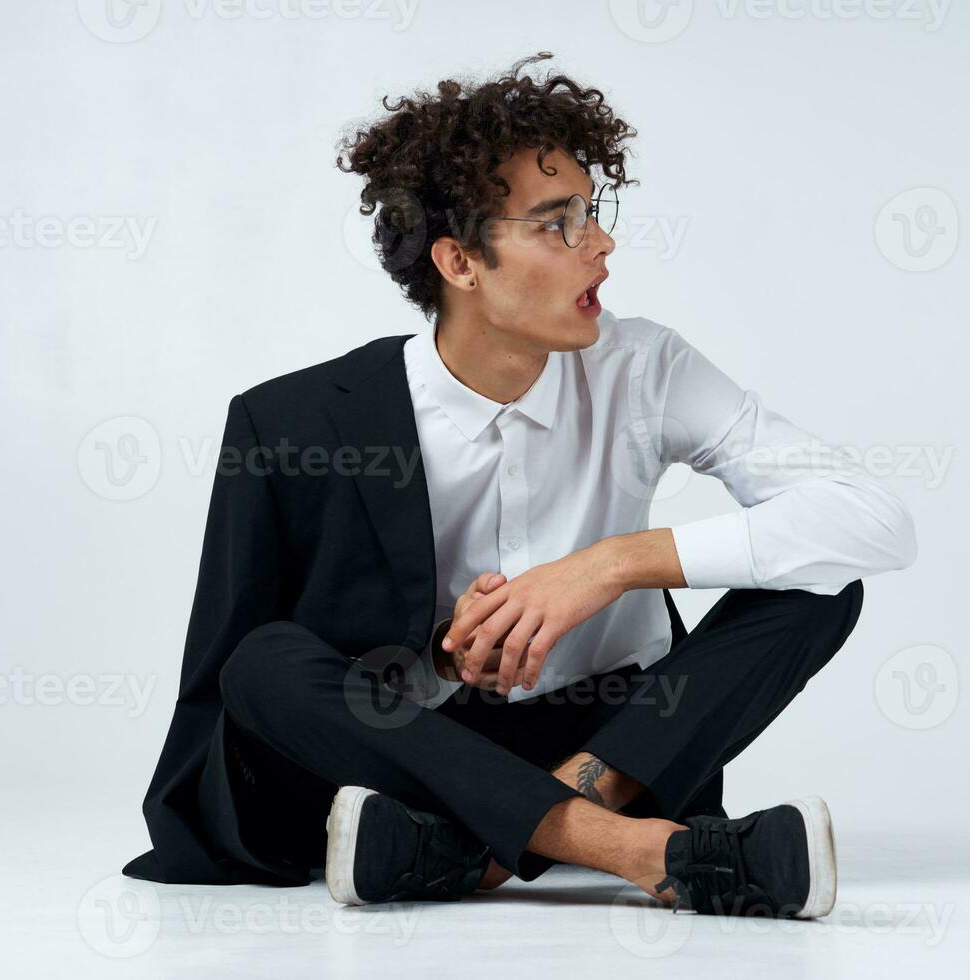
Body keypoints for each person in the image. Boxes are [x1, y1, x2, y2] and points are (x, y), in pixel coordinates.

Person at [123, 52, 916, 917]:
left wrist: (610, 564)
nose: (602, 245)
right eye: (558, 223)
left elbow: (873, 519)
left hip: (614, 739)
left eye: (594, 212)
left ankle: (474, 853)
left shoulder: (644, 368)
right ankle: (627, 848)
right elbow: (229, 692)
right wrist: (433, 656)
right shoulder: (290, 423)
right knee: (265, 661)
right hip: (410, 749)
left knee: (817, 581)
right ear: (461, 263)